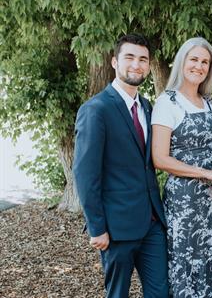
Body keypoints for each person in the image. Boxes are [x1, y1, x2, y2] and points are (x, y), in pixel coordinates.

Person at [73, 33, 168, 298]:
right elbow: (85, 174)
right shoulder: (96, 110)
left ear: (149, 66)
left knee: (161, 292)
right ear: (115, 62)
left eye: (143, 59)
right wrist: (97, 228)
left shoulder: (148, 107)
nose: (136, 65)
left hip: (152, 224)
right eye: (129, 57)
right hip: (115, 229)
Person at [151, 37, 212, 297]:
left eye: (205, 62)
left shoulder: (211, 104)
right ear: (182, 62)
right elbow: (160, 159)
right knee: (189, 264)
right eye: (194, 59)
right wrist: (205, 173)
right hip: (184, 202)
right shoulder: (167, 102)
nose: (199, 66)